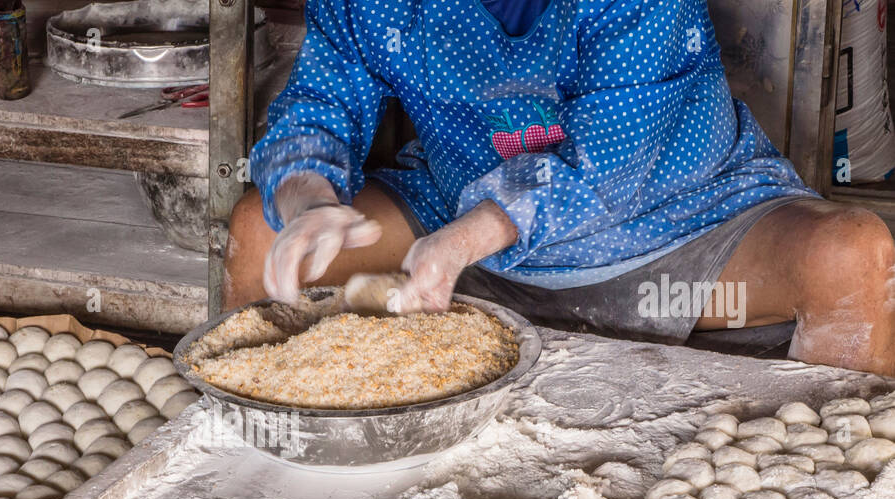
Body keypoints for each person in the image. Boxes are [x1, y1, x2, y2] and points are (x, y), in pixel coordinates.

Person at [224, 0, 895, 377]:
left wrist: (465, 242)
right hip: (460, 208)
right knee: (264, 231)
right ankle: (281, 490)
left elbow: (606, 158)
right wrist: (309, 198)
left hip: (672, 231)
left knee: (851, 254)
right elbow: (318, 103)